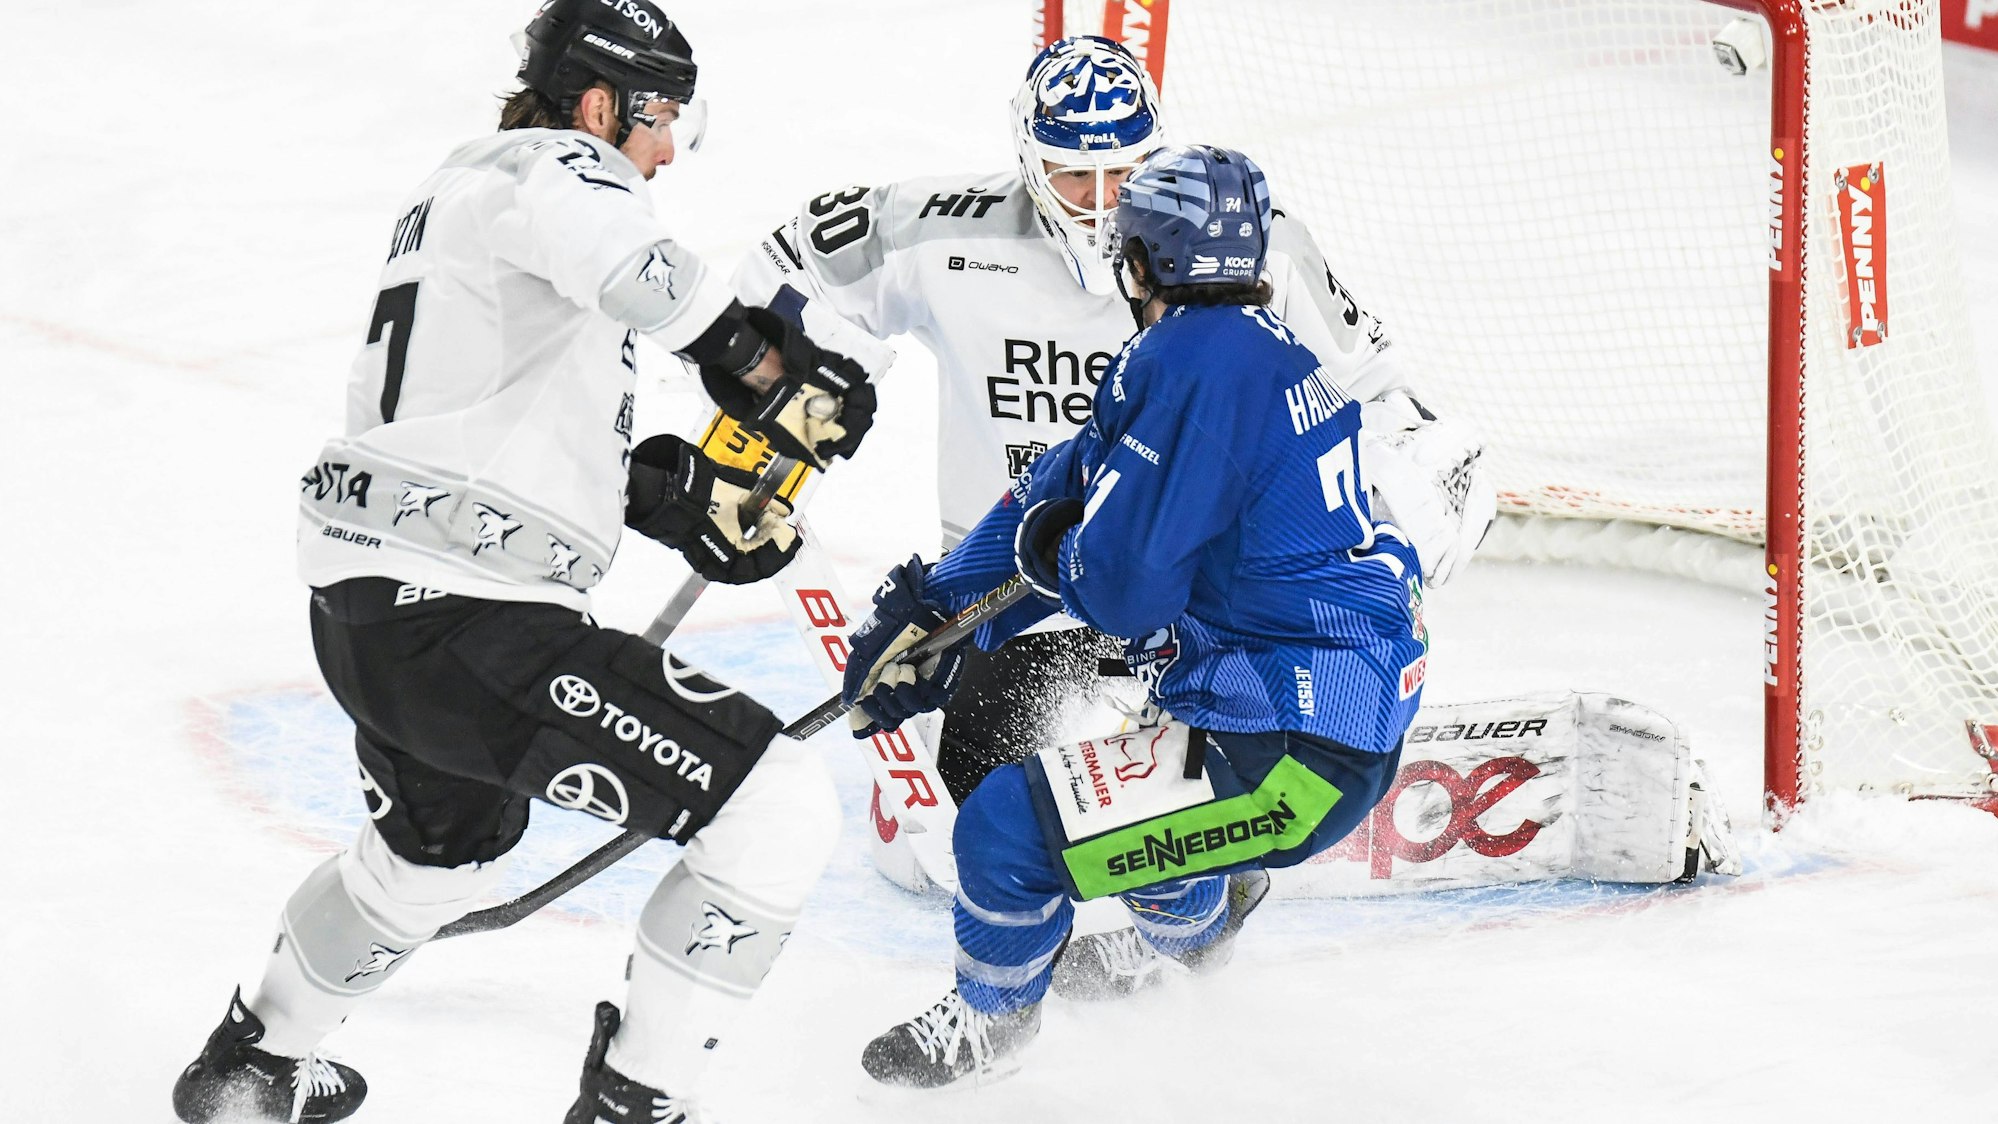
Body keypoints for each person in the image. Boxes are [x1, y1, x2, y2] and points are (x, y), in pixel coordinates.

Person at [169, 4, 884, 1122]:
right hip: (464, 621)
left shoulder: (471, 196)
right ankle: (634, 1104)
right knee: (778, 805)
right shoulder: (556, 166)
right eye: (657, 119)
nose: (663, 150)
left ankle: (249, 1069)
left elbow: (498, 418)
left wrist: (672, 498)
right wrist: (755, 361)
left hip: (379, 615)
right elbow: (643, 268)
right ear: (597, 104)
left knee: (443, 847)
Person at [735, 33, 1491, 991]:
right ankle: (1185, 869)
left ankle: (1195, 889)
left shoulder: (1238, 255)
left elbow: (1391, 408)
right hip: (1027, 591)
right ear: (1026, 158)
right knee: (985, 803)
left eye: (1120, 175)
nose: (1096, 205)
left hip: (1199, 607)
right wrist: (803, 400)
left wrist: (1361, 547)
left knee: (1040, 830)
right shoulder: (953, 237)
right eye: (1070, 174)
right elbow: (781, 272)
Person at [837, 143, 1430, 1089]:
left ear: (1140, 260)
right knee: (1144, 816)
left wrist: (1050, 560)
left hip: (1293, 751)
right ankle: (1203, 923)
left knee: (1002, 829)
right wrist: (933, 609)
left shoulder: (1192, 369)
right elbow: (1060, 484)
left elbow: (1122, 591)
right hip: (1315, 710)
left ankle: (992, 1025)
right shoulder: (1240, 353)